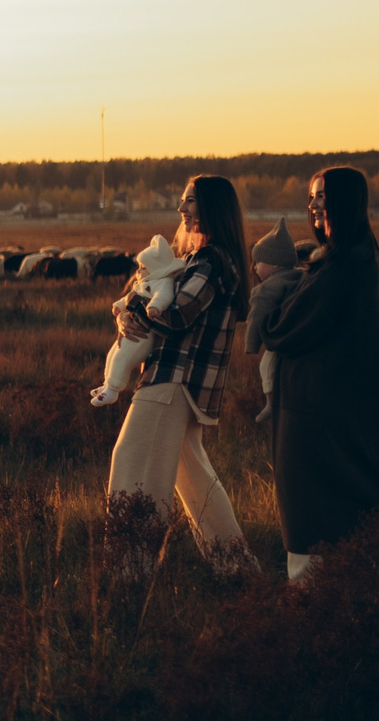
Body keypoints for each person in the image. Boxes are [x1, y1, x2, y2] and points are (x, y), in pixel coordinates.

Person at [254, 167, 379, 581]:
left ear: (345, 201)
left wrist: (269, 311)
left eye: (321, 197)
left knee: (314, 501)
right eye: (311, 197)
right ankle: (355, 590)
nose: (313, 205)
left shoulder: (345, 265)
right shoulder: (343, 260)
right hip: (320, 406)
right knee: (338, 493)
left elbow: (289, 328)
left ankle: (318, 603)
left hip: (321, 413)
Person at [105, 174, 251, 568]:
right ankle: (236, 567)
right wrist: (127, 318)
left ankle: (128, 571)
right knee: (194, 479)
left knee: (134, 466)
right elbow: (152, 297)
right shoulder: (201, 260)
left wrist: (134, 313)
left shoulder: (210, 261)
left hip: (174, 379)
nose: (181, 210)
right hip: (184, 384)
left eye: (190, 201)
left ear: (211, 208)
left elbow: (178, 313)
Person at [91, 232, 189, 406]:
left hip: (143, 335)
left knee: (123, 358)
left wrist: (154, 307)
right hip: (133, 330)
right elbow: (129, 297)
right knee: (113, 353)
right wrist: (119, 308)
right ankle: (107, 383)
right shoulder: (142, 284)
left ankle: (113, 390)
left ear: (155, 269)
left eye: (142, 267)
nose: (137, 271)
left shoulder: (162, 282)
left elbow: (163, 296)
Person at [242, 217, 305, 423]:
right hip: (300, 337)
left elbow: (257, 316)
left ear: (275, 264)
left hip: (278, 341)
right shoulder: (302, 276)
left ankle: (271, 403)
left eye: (258, 262)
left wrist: (251, 345)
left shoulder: (266, 289)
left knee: (267, 365)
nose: (254, 268)